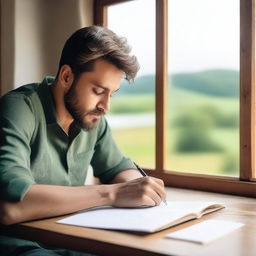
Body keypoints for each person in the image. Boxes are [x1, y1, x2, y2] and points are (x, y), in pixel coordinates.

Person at [0, 25, 166, 256]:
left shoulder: (91, 118)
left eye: (112, 93)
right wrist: (112, 194)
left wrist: (141, 188)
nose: (105, 106)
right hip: (22, 246)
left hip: (75, 241)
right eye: (98, 91)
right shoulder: (18, 108)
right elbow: (11, 207)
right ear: (67, 76)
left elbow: (118, 167)